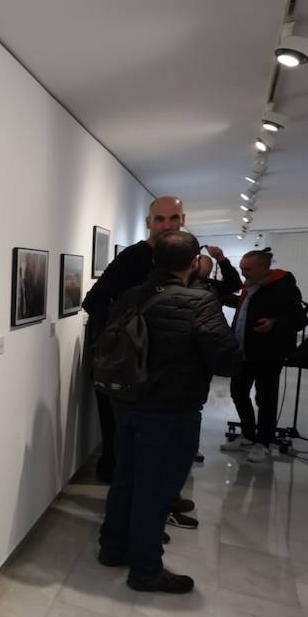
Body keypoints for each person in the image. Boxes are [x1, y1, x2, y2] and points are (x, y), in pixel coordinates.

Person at [97, 232, 241, 593]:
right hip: (171, 410)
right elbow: (226, 360)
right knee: (155, 491)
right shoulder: (201, 303)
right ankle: (145, 569)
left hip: (126, 403)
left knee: (125, 479)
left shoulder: (130, 295)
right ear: (194, 262)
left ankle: (112, 549)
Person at [83, 196, 187, 483]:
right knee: (122, 437)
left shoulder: (181, 259)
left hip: (163, 366)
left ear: (183, 220)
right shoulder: (133, 257)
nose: (167, 225)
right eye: (160, 219)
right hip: (129, 365)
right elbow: (94, 301)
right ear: (148, 223)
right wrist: (126, 333)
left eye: (173, 218)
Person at [218, 249, 308, 463]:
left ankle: (263, 442)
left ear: (264, 268)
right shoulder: (249, 287)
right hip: (242, 352)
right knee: (238, 393)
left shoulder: (284, 286)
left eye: (247, 269)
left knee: (265, 398)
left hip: (268, 353)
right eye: (241, 269)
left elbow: (300, 319)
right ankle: (249, 435)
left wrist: (274, 323)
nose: (243, 274)